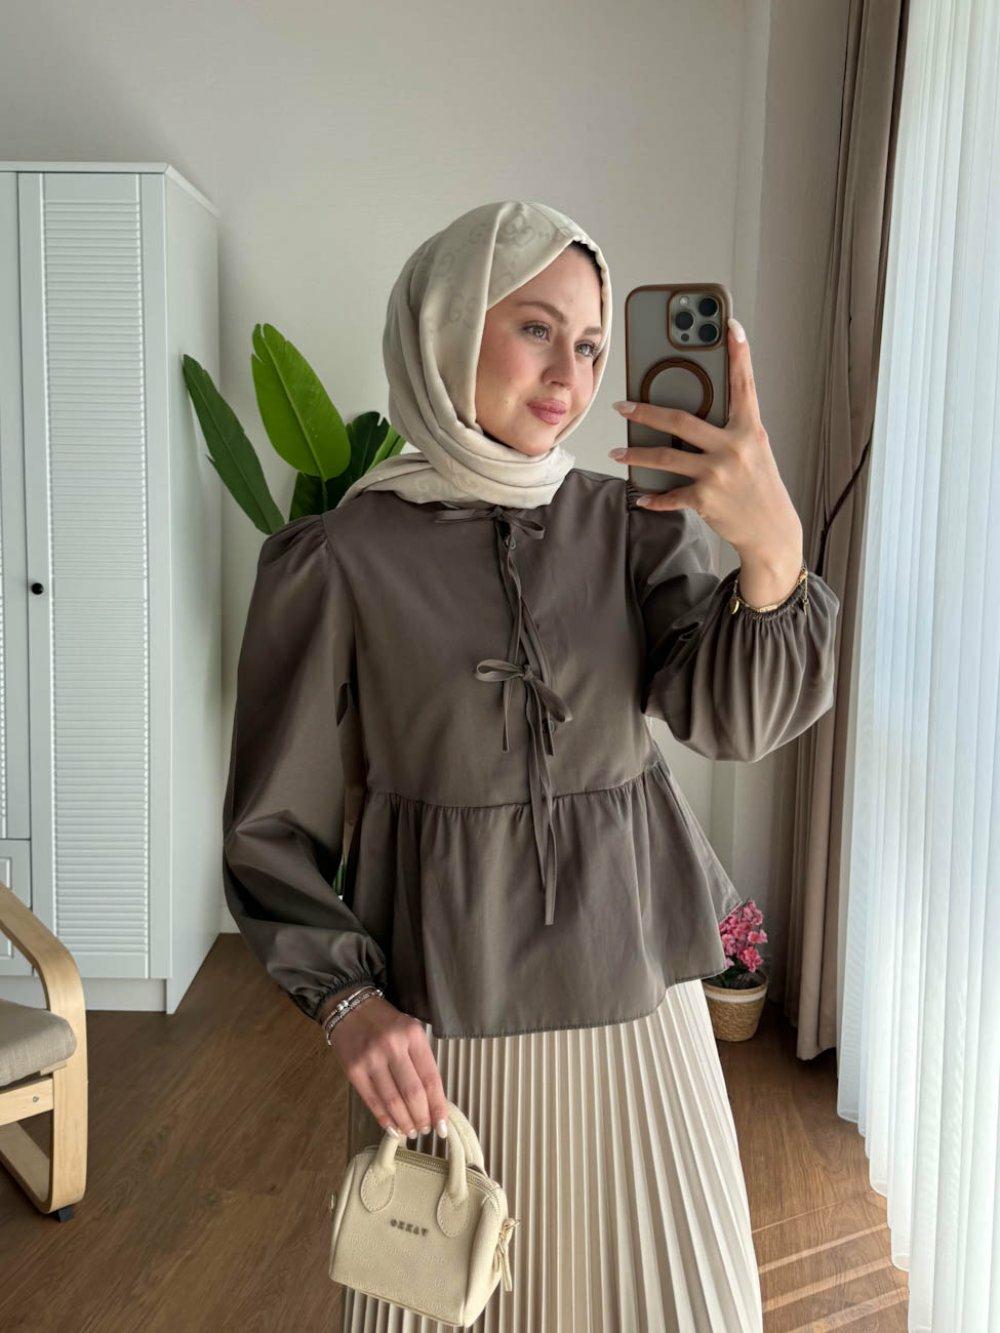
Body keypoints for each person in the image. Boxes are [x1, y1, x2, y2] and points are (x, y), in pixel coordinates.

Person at [223, 199, 840, 1331]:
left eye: (594, 344)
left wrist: (772, 549)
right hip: (448, 1019)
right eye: (537, 329)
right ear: (449, 325)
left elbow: (732, 719)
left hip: (640, 1003)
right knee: (454, 1297)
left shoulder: (633, 523)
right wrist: (347, 1001)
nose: (571, 375)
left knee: (676, 1301)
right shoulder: (335, 559)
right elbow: (269, 827)